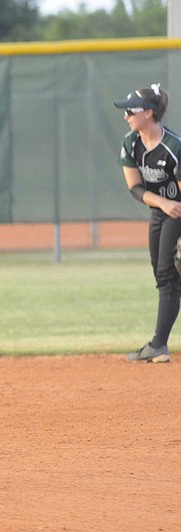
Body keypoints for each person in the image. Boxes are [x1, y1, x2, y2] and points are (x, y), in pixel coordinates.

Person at [115, 83, 181, 363]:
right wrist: (162, 202)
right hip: (161, 211)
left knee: (167, 275)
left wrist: (169, 206)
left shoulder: (175, 147)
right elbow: (134, 188)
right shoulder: (131, 143)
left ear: (150, 113)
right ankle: (159, 345)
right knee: (162, 273)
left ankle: (158, 345)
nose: (126, 115)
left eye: (132, 110)